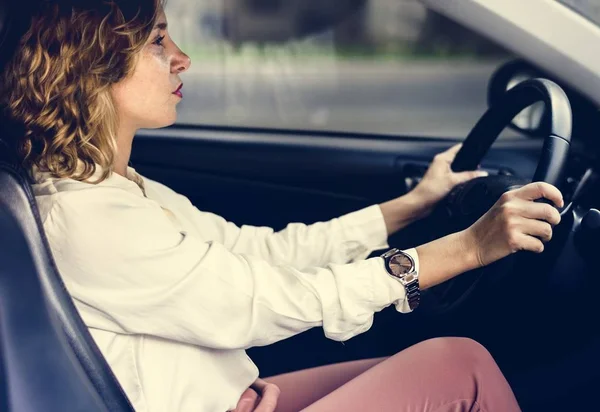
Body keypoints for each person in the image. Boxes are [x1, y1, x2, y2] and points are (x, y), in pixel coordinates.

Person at [0, 1, 564, 411]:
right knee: (458, 369)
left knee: (441, 365)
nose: (182, 59)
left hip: (238, 398)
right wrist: (467, 248)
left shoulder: (117, 188)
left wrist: (410, 207)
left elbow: (264, 252)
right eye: (157, 40)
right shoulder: (92, 221)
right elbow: (275, 300)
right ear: (90, 67)